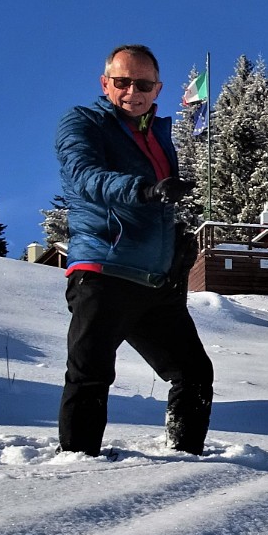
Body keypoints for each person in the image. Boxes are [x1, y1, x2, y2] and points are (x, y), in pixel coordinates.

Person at [55, 44, 212, 457]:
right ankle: (76, 464)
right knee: (90, 374)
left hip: (155, 282)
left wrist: (177, 245)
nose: (132, 91)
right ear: (105, 82)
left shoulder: (157, 135)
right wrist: (143, 189)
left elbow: (160, 207)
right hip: (103, 270)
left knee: (194, 372)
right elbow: (85, 176)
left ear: (157, 88)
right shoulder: (84, 122)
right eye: (122, 81)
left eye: (142, 83)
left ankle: (187, 460)